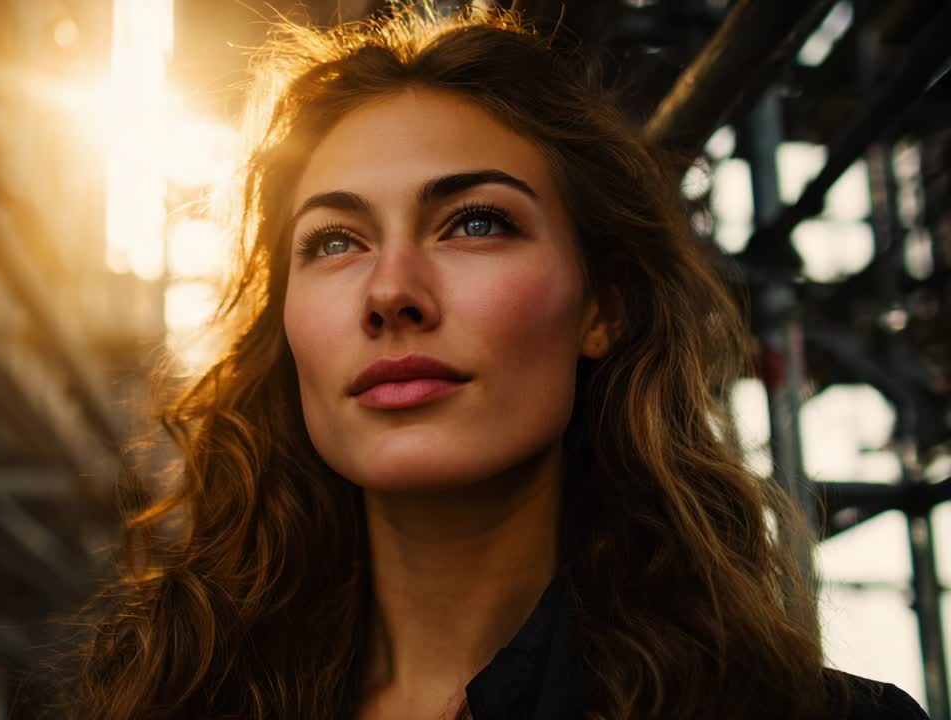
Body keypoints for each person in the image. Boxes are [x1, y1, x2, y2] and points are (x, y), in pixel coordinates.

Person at [64, 6, 929, 719]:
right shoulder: (164, 701)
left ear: (601, 308)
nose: (390, 291)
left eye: (476, 223)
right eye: (334, 241)